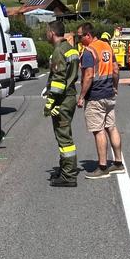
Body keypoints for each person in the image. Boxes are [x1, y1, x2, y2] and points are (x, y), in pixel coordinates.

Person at [76, 23, 124, 179]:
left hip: (95, 96)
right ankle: (118, 163)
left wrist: (82, 96)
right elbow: (116, 70)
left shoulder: (89, 51)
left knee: (98, 130)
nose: (79, 39)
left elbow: (88, 76)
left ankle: (102, 167)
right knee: (112, 127)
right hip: (109, 94)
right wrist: (115, 87)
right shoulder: (107, 47)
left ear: (88, 35)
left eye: (80, 36)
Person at [44, 21, 81, 187]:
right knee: (64, 134)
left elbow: (58, 81)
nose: (46, 35)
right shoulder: (71, 49)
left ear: (52, 33)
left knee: (64, 138)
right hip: (70, 96)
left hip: (62, 100)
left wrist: (50, 103)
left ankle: (68, 175)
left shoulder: (59, 51)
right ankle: (65, 169)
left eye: (46, 32)